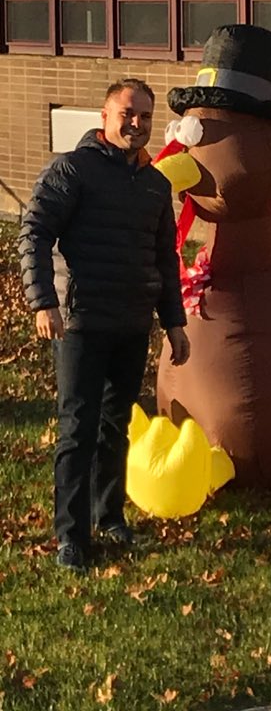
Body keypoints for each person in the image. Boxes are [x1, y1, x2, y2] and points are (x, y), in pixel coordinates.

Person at [19, 78, 189, 572]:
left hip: (132, 324)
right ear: (105, 116)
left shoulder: (156, 184)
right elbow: (34, 231)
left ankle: (109, 517)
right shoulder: (73, 170)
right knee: (78, 429)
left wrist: (173, 323)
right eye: (126, 114)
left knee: (116, 428)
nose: (135, 124)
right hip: (81, 324)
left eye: (144, 117)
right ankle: (71, 537)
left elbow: (164, 256)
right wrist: (42, 302)